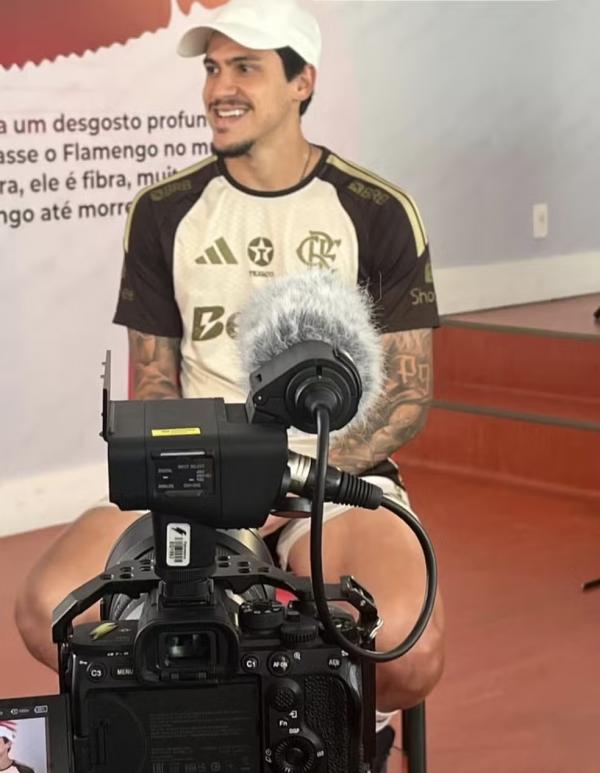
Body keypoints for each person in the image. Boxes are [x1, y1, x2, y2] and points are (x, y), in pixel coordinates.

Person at [16, 0, 444, 763]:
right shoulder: (164, 211)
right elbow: (154, 381)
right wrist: (217, 479)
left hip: (332, 475)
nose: (219, 88)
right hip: (195, 481)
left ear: (302, 82)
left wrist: (290, 474)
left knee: (407, 649)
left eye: (245, 67)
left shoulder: (377, 211)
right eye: (213, 68)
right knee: (49, 609)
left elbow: (407, 393)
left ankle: (337, 728)